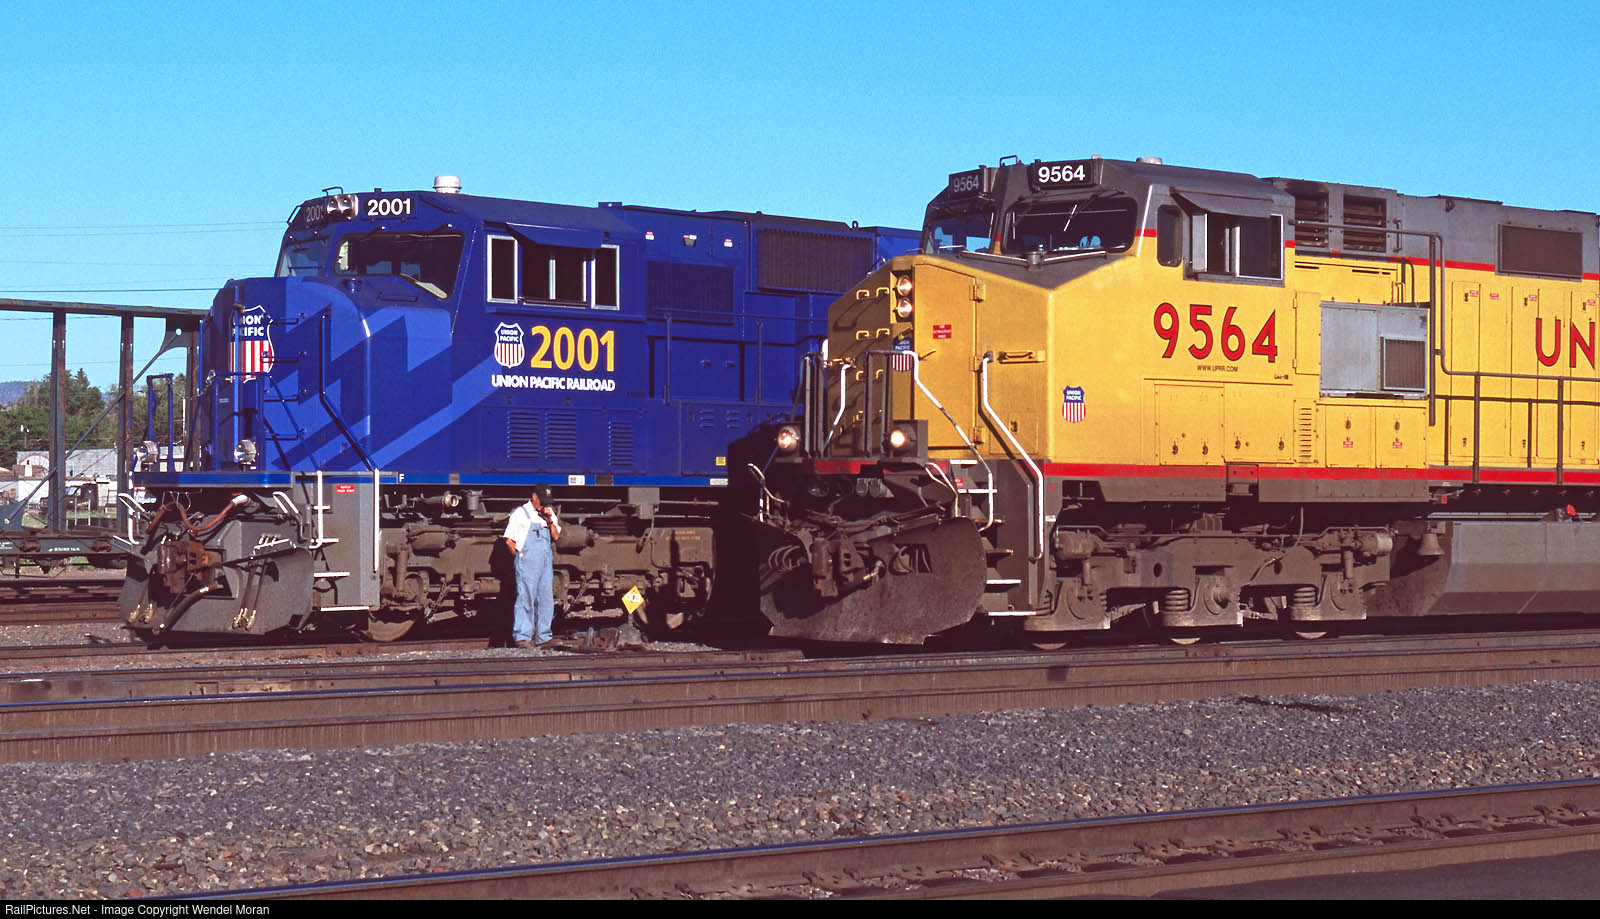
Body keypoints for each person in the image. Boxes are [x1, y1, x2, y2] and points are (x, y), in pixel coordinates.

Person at [502, 486, 562, 648]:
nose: (544, 505)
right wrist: (520, 557)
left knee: (546, 598)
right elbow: (509, 540)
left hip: (545, 562)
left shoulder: (548, 513)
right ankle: (522, 637)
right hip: (527, 561)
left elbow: (556, 536)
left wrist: (550, 520)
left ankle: (544, 637)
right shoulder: (521, 513)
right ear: (534, 497)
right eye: (542, 501)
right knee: (526, 597)